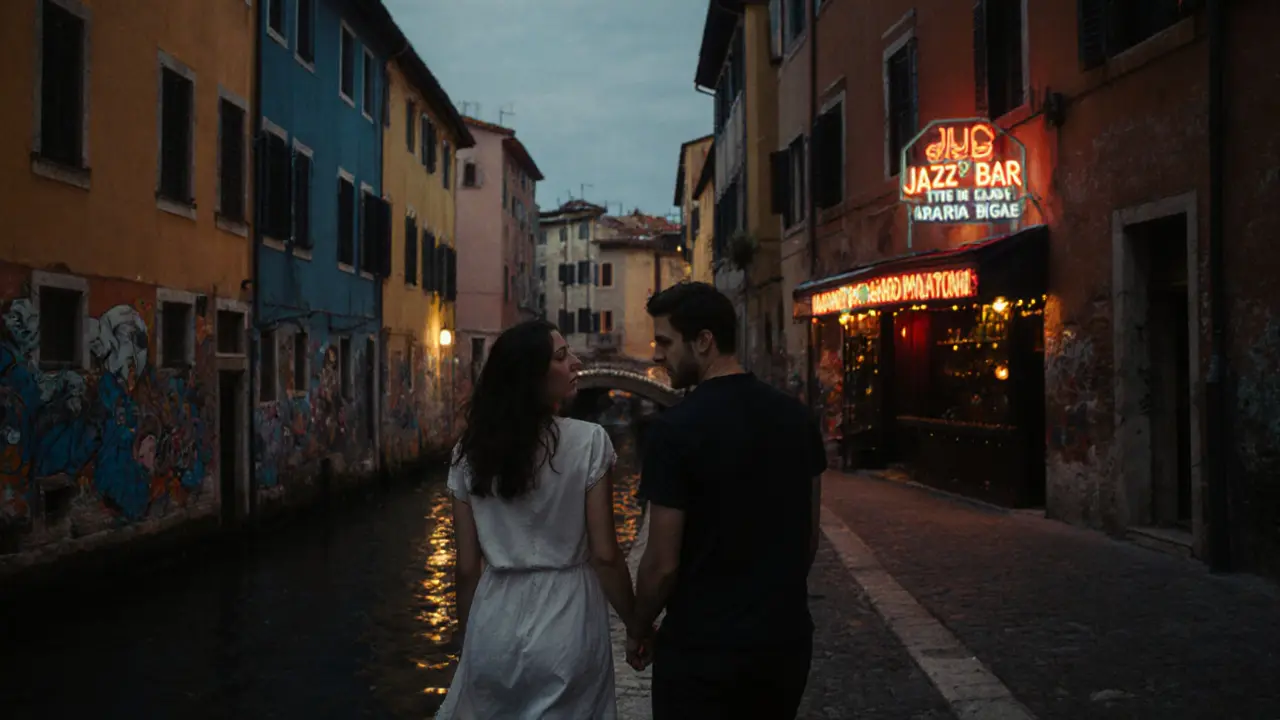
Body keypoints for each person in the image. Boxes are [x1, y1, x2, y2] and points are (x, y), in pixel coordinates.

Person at [628, 282, 827, 719]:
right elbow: (809, 538)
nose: (657, 355)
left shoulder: (673, 432)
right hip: (783, 645)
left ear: (703, 341)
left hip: (702, 650)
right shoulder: (798, 419)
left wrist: (639, 626)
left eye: (665, 342)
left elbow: (662, 564)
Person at [435, 320, 644, 720]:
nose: (576, 363)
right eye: (562, 357)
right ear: (531, 376)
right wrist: (636, 624)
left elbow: (466, 568)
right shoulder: (589, 442)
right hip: (568, 621)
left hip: (494, 623)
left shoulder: (468, 453)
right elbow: (605, 555)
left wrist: (469, 639)